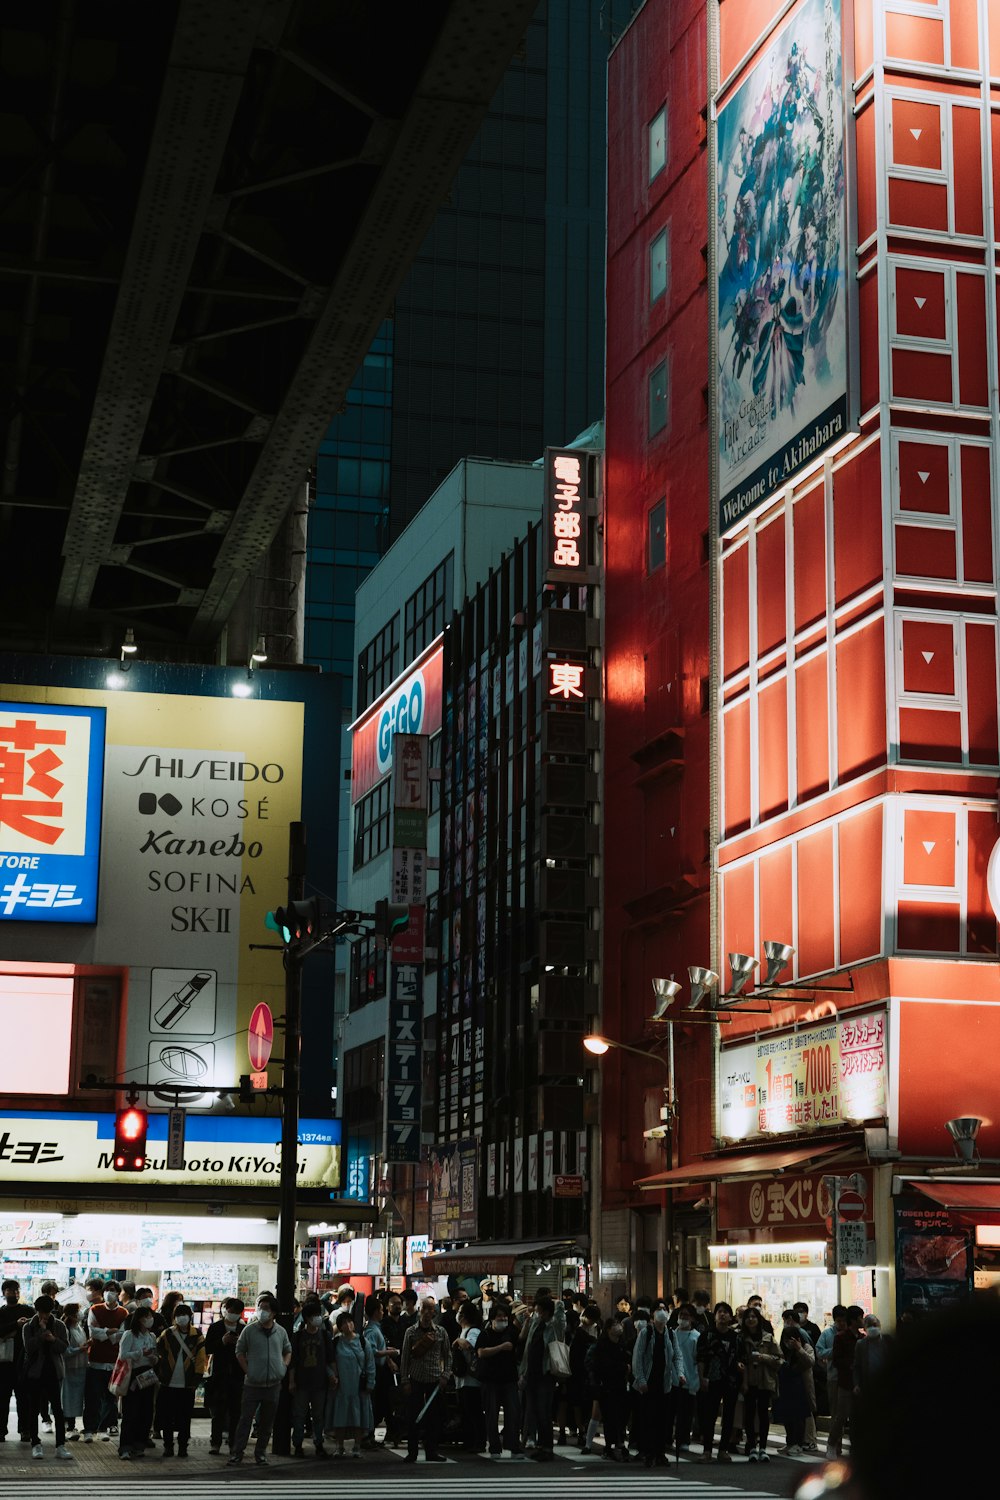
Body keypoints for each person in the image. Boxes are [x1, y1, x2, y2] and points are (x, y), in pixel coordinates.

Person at [229, 1293, 292, 1467]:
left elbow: (288, 1350)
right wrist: (247, 1370)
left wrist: (283, 1366)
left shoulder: (280, 1332)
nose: (261, 1311)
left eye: (265, 1309)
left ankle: (261, 1454)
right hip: (252, 1384)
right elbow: (239, 1351)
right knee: (245, 1420)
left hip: (273, 1384)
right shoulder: (250, 1330)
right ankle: (237, 1453)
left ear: (273, 1313)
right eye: (260, 1308)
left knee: (266, 1423)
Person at [400, 1297, 450, 1463]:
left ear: (435, 1312)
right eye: (425, 1309)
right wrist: (405, 1380)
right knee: (413, 1416)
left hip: (435, 1380)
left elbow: (447, 1356)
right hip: (415, 1379)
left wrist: (445, 1375)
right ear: (419, 1310)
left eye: (431, 1309)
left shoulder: (441, 1332)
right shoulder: (411, 1332)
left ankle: (431, 1451)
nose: (428, 1312)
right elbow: (405, 1358)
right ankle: (412, 1452)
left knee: (433, 1418)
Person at [22, 1295, 72, 1461]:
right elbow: (28, 1348)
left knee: (58, 1409)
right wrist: (41, 1333)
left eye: (48, 1313)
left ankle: (60, 1445)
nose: (44, 1316)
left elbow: (64, 1347)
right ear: (37, 1311)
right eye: (42, 1313)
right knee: (33, 1409)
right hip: (35, 1373)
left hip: (54, 1371)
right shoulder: (29, 1326)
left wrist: (53, 1339)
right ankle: (36, 1444)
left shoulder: (59, 1325)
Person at [518, 1291, 566, 1462]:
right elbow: (527, 1349)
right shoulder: (536, 1324)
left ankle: (547, 1447)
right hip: (532, 1373)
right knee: (535, 1411)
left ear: (547, 1311)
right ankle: (541, 1445)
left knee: (544, 1411)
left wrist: (557, 1303)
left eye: (539, 1310)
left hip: (546, 1374)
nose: (537, 1313)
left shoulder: (554, 1326)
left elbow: (561, 1318)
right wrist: (523, 1372)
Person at [631, 1303, 681, 1467]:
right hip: (648, 1383)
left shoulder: (671, 1334)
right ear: (652, 1314)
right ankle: (648, 1452)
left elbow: (677, 1356)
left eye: (665, 1309)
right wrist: (641, 1380)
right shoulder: (647, 1332)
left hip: (665, 1383)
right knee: (648, 1419)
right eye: (659, 1309)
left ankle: (660, 1453)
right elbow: (638, 1358)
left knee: (663, 1419)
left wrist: (680, 1373)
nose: (662, 1312)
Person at [154, 1302, 206, 1458]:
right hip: (168, 1383)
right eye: (178, 1315)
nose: (181, 1318)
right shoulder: (167, 1334)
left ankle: (183, 1447)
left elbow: (201, 1359)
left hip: (187, 1385)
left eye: (184, 1314)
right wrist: (160, 1374)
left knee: (185, 1419)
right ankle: (168, 1447)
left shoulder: (197, 1335)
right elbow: (158, 1353)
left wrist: (196, 1381)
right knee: (167, 1417)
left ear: (190, 1316)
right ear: (174, 1317)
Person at [475, 1299, 523, 1458]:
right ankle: (494, 1447)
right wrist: (501, 1348)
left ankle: (513, 1446)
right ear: (492, 1318)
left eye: (505, 1316)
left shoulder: (512, 1332)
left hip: (509, 1379)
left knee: (513, 1414)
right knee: (491, 1414)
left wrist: (528, 1321)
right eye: (499, 1316)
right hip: (490, 1380)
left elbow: (521, 1340)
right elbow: (481, 1353)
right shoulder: (485, 1333)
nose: (502, 1319)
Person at [696, 1301, 743, 1463]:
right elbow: (700, 1358)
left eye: (726, 1312)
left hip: (731, 1380)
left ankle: (723, 1450)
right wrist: (701, 1377)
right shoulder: (707, 1335)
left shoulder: (735, 1337)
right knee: (709, 1415)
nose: (722, 1314)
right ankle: (707, 1450)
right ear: (715, 1315)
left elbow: (740, 1358)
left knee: (728, 1415)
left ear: (731, 1317)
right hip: (711, 1379)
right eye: (719, 1312)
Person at [83, 1278, 127, 1441]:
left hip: (114, 1361)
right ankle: (89, 1429)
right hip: (95, 1360)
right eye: (108, 1289)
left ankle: (104, 1427)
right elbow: (93, 1332)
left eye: (114, 1290)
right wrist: (110, 1331)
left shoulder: (124, 1313)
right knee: (92, 1397)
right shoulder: (94, 1309)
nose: (110, 1293)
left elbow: (121, 1335)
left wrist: (104, 1333)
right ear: (103, 1292)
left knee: (110, 1397)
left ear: (118, 1293)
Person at [289, 1299, 334, 1458]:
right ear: (307, 1318)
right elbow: (293, 1360)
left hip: (320, 1382)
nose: (319, 1318)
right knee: (300, 1415)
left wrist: (333, 1376)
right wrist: (292, 1380)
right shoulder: (298, 1336)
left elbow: (330, 1359)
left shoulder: (325, 1335)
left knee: (318, 1415)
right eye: (315, 1315)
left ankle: (319, 1443)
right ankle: (298, 1444)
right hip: (302, 1382)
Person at [328, 1311, 374, 1458]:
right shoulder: (336, 1342)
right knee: (340, 1416)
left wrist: (370, 1382)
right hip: (341, 1387)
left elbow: (370, 1364)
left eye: (350, 1322)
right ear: (340, 1327)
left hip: (359, 1387)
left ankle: (357, 1446)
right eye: (344, 1323)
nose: (348, 1325)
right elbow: (329, 1363)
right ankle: (339, 1446)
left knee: (359, 1417)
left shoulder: (362, 1342)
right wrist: (332, 1376)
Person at [116, 1304, 159, 1461]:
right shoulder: (129, 1335)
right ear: (139, 1319)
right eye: (147, 1317)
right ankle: (125, 1447)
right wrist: (141, 1353)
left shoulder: (151, 1336)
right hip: (133, 1375)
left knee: (146, 1412)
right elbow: (122, 1355)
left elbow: (154, 1354)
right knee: (131, 1412)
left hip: (148, 1374)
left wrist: (154, 1358)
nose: (150, 1320)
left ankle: (139, 1444)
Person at [738, 1305, 779, 1462]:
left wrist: (763, 1358)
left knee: (763, 1414)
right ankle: (751, 1446)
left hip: (764, 1380)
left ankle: (763, 1447)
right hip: (748, 1380)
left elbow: (779, 1359)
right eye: (748, 1317)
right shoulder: (740, 1338)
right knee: (749, 1414)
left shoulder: (768, 1337)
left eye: (754, 1316)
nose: (751, 1319)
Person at [205, 1297, 245, 1455]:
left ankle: (233, 1443)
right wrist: (222, 1341)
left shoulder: (243, 1329)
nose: (233, 1314)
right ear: (225, 1309)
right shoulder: (215, 1327)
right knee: (218, 1412)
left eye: (236, 1312)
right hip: (219, 1375)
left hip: (237, 1374)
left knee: (236, 1411)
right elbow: (207, 1348)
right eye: (231, 1311)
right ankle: (215, 1443)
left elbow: (248, 1350)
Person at [588, 1317, 629, 1462]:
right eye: (614, 1325)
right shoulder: (602, 1345)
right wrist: (623, 1367)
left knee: (621, 1416)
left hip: (621, 1386)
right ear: (608, 1329)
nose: (618, 1326)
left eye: (618, 1324)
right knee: (609, 1417)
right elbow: (602, 1366)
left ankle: (619, 1443)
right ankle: (609, 1446)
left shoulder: (622, 1344)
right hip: (606, 1386)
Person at [826, 1304, 864, 1458]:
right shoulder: (840, 1337)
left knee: (857, 1417)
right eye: (860, 1317)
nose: (863, 1320)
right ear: (854, 1320)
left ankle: (855, 1447)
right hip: (845, 1382)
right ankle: (831, 1444)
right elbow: (836, 1360)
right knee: (841, 1416)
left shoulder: (863, 1338)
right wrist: (851, 1364)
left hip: (859, 1384)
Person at [361, 1295, 396, 1448]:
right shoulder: (371, 1330)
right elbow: (373, 1351)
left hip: (379, 1370)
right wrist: (390, 1353)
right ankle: (367, 1436)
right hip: (374, 1370)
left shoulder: (375, 1328)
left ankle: (370, 1435)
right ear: (376, 1312)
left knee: (378, 1404)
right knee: (374, 1404)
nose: (384, 1312)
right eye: (381, 1310)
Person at [0, 1278, 33, 1443]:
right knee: (2, 1399)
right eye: (11, 1290)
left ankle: (25, 1430)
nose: (15, 1293)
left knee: (23, 1398)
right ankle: (1, 1430)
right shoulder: (1, 1312)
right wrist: (16, 1325)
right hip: (3, 1363)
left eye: (17, 1290)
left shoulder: (28, 1310)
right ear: (4, 1293)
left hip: (23, 1362)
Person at [775, 1326, 814, 1456]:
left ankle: (799, 1443)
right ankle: (790, 1442)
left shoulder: (806, 1347)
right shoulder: (783, 1351)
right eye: (786, 1339)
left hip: (801, 1386)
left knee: (799, 1416)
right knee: (787, 1415)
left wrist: (799, 1348)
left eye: (791, 1339)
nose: (788, 1342)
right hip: (786, 1386)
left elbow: (810, 1362)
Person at [452, 1299, 485, 1452]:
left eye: (459, 1312)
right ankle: (469, 1440)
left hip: (472, 1380)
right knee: (466, 1410)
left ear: (464, 1316)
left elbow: (469, 1345)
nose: (457, 1314)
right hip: (462, 1379)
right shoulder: (464, 1331)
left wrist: (458, 1341)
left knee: (474, 1411)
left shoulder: (473, 1331)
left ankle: (478, 1442)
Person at [670, 1302, 701, 1457]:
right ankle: (668, 1438)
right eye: (681, 1315)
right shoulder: (671, 1334)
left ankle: (683, 1440)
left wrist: (695, 1382)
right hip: (671, 1380)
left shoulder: (696, 1337)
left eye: (686, 1315)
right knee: (670, 1411)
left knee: (686, 1413)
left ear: (692, 1319)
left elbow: (697, 1361)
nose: (682, 1318)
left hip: (688, 1380)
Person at [60, 1301, 88, 1440]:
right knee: (68, 1398)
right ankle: (69, 1426)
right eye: (78, 1311)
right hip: (70, 1368)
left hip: (81, 1367)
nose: (80, 1314)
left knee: (76, 1398)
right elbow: (65, 1351)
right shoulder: (66, 1330)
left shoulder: (79, 1328)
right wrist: (80, 1349)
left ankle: (71, 1426)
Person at [853, 1313, 892, 1401]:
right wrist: (856, 1384)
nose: (872, 1328)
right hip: (868, 1385)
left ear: (879, 1326)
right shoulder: (860, 1344)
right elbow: (857, 1366)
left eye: (874, 1325)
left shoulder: (888, 1341)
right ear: (865, 1329)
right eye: (869, 1326)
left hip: (887, 1384)